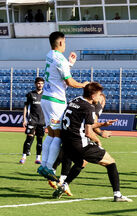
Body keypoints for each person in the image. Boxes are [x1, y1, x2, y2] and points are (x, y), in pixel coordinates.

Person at [53, 82, 132, 202]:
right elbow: (88, 132)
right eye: (99, 94)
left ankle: (64, 185)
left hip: (67, 143)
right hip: (80, 143)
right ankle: (118, 195)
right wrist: (98, 139)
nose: (100, 98)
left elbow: (80, 123)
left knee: (82, 162)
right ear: (92, 95)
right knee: (110, 162)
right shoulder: (89, 108)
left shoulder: (75, 100)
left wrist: (102, 124)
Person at [37, 31, 89, 181]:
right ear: (60, 43)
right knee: (59, 135)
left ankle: (44, 166)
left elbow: (57, 72)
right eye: (65, 42)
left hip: (46, 99)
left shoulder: (50, 54)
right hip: (56, 101)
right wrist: (83, 85)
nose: (65, 45)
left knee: (51, 133)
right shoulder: (60, 59)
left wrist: (70, 64)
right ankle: (47, 167)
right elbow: (70, 82)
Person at [50, 93, 115, 192]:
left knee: (77, 159)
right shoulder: (96, 106)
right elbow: (91, 125)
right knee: (106, 162)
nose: (100, 102)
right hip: (80, 137)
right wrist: (101, 133)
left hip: (68, 133)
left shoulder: (77, 100)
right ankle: (61, 180)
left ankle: (62, 180)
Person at [19, 77, 45, 165]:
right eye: (38, 83)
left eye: (41, 83)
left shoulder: (46, 95)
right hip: (32, 119)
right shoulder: (30, 94)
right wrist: (24, 119)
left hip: (42, 121)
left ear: (43, 84)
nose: (40, 85)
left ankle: (38, 158)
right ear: (35, 84)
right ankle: (23, 157)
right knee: (29, 138)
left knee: (40, 140)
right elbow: (26, 106)